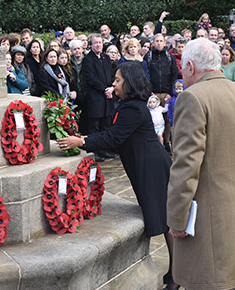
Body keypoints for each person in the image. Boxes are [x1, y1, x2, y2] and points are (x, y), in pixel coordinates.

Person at [55, 62, 177, 289]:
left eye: (118, 79)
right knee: (162, 216)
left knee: (166, 219)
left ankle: (177, 273)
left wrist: (82, 141)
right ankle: (176, 271)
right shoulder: (130, 104)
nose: (114, 83)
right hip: (147, 165)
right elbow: (113, 133)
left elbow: (113, 138)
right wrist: (86, 137)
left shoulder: (132, 108)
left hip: (151, 168)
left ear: (129, 82)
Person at [167, 38, 235, 290]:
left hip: (207, 214)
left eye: (183, 69)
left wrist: (177, 219)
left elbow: (185, 166)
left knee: (209, 281)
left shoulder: (192, 98)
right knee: (230, 280)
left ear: (190, 66)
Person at [81, 34, 116, 162]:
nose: (98, 45)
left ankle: (104, 150)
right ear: (91, 45)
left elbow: (112, 75)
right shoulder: (88, 59)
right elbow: (90, 79)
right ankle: (95, 152)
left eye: (100, 43)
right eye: (95, 43)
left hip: (108, 97)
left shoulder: (106, 58)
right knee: (94, 127)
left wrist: (112, 88)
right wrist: (104, 89)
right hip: (95, 98)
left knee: (106, 126)